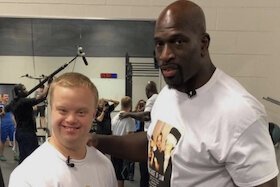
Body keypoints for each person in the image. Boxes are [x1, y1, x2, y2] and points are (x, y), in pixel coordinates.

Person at [90, 0, 279, 186]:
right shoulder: (168, 94)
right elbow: (154, 145)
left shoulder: (240, 113)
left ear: (203, 44)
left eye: (178, 42)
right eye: (159, 44)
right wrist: (95, 141)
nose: (164, 55)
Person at [9, 72, 117, 187]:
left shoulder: (105, 166)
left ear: (93, 115)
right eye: (63, 110)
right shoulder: (26, 177)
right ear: (51, 111)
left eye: (81, 112)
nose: (71, 119)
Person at [6, 82, 50, 164]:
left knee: (23, 156)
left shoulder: (13, 103)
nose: (26, 90)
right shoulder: (24, 102)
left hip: (19, 132)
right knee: (32, 156)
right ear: (19, 92)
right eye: (24, 89)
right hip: (27, 133)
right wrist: (48, 85)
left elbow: (5, 110)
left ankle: (22, 173)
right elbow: (43, 96)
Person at [111, 96, 135, 187]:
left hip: (114, 149)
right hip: (123, 151)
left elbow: (113, 134)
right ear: (130, 105)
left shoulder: (114, 118)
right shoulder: (130, 120)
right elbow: (130, 137)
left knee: (116, 174)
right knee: (121, 176)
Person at [0, 94, 16, 161]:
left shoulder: (10, 106)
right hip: (4, 124)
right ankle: (1, 155)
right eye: (5, 96)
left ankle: (15, 155)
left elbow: (13, 115)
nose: (7, 97)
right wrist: (2, 113)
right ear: (2, 98)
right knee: (2, 140)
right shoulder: (0, 105)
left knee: (15, 140)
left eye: (8, 96)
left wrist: (15, 123)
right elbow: (1, 114)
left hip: (11, 124)